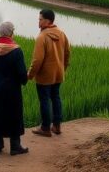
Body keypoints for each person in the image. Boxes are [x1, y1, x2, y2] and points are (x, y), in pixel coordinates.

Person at [0, 21, 30, 156]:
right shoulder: (16, 50)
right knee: (14, 115)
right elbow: (21, 73)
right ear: (11, 33)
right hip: (11, 89)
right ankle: (15, 146)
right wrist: (25, 79)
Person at [27, 8, 70, 137]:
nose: (38, 22)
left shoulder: (42, 37)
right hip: (58, 74)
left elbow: (37, 60)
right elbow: (68, 53)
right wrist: (63, 68)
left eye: (40, 19)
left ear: (47, 21)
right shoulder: (62, 34)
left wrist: (30, 74)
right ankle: (57, 126)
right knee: (56, 97)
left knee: (44, 100)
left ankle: (45, 127)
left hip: (45, 76)